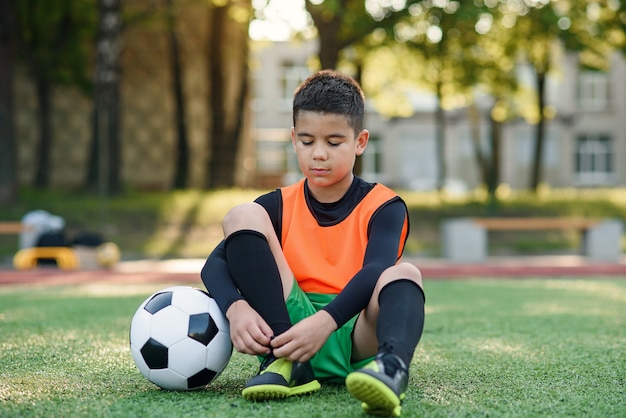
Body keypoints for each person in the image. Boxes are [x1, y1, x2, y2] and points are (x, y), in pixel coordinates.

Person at [201, 69, 425, 417]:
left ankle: (391, 369)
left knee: (405, 273)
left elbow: (377, 270)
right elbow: (215, 265)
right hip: (287, 331)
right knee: (242, 215)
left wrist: (326, 321)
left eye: (333, 142)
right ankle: (286, 365)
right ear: (293, 139)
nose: (318, 154)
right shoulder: (277, 204)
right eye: (307, 142)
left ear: (360, 142)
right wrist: (235, 308)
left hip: (352, 331)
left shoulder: (385, 206)